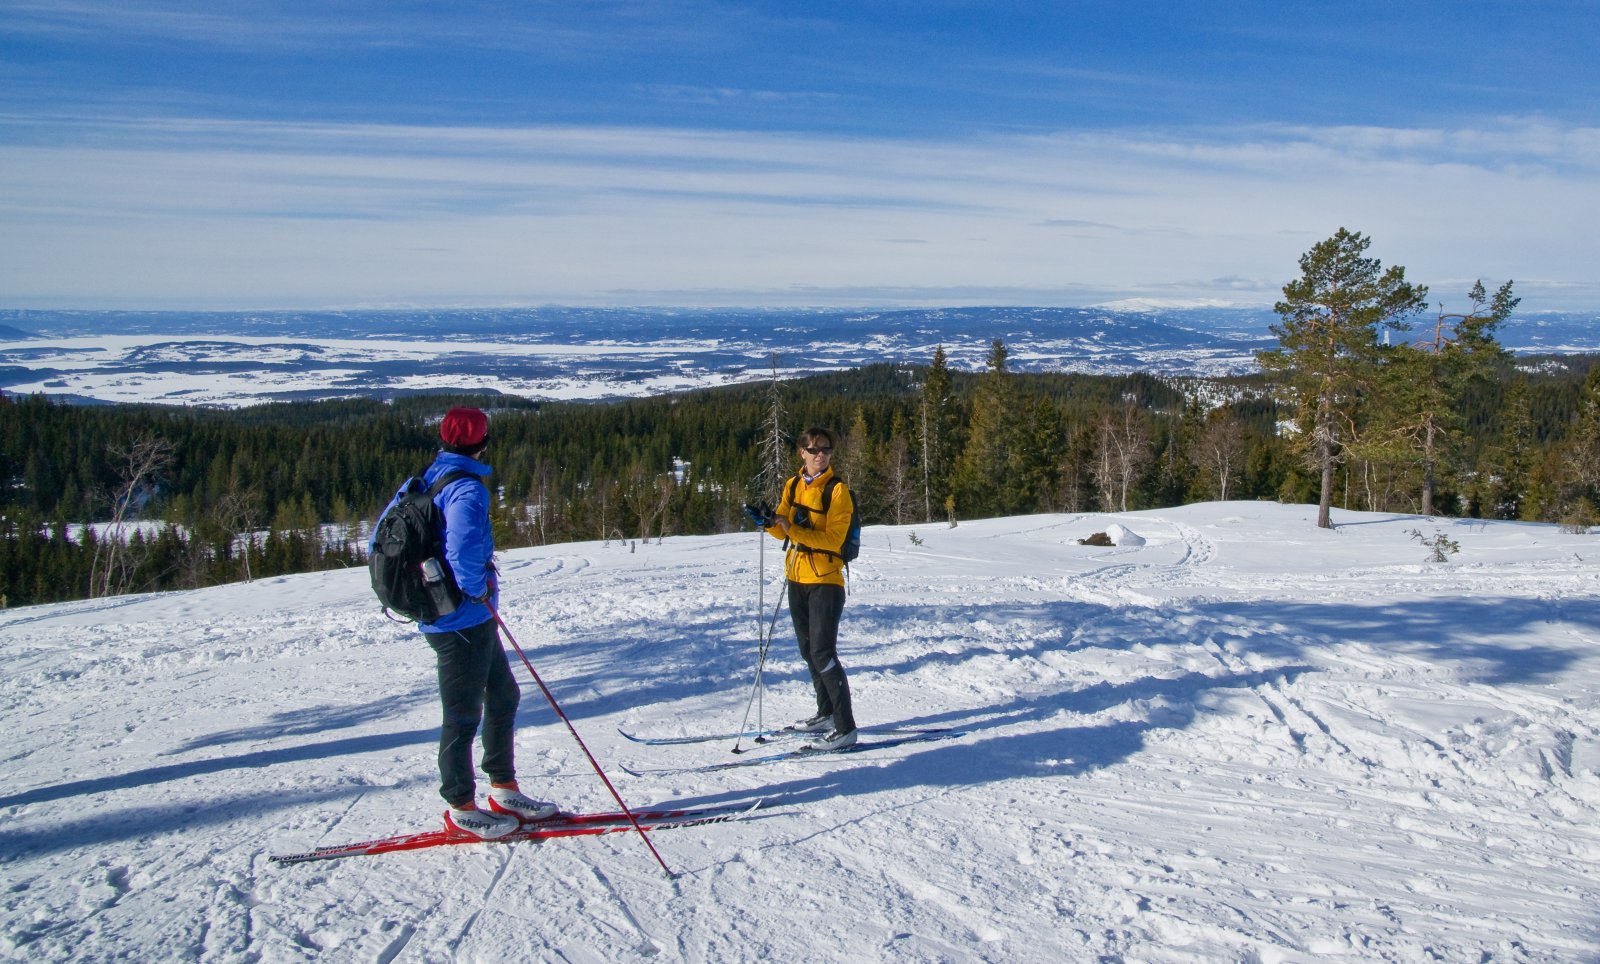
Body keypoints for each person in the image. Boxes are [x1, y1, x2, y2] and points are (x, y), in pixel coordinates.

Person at [380, 406, 558, 839]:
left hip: (460, 616)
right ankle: (460, 805)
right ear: (482, 441)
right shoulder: (467, 490)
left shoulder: (423, 479)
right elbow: (462, 552)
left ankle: (504, 788)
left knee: (503, 695)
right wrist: (477, 588)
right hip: (459, 617)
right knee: (462, 715)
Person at [754, 427, 858, 751]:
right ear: (802, 452)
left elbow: (833, 540)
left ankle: (845, 728)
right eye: (813, 449)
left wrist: (792, 529)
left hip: (826, 581)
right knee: (807, 650)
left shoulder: (838, 491)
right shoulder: (793, 485)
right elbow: (782, 531)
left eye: (825, 449)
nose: (820, 455)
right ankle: (826, 713)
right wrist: (768, 522)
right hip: (797, 579)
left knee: (823, 652)